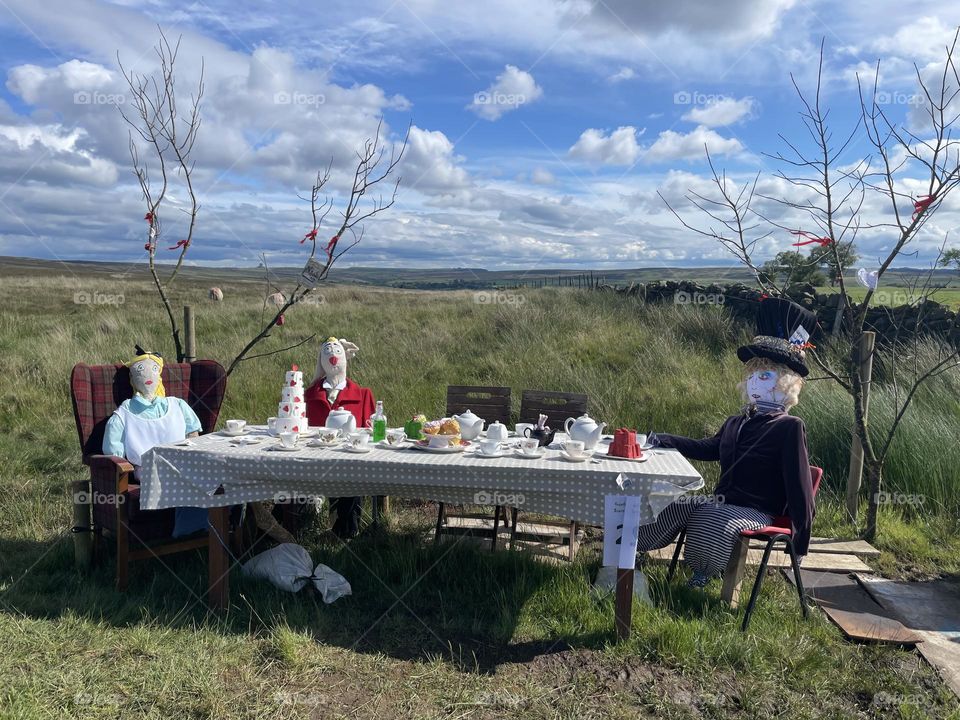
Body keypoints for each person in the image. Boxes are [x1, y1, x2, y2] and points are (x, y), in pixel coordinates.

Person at [639, 297, 818, 588]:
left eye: (765, 375)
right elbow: (709, 448)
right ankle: (630, 551)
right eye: (752, 375)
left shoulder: (789, 427)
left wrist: (801, 540)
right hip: (722, 501)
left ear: (786, 382)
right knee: (670, 505)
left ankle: (701, 577)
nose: (755, 382)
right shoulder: (738, 420)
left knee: (712, 517)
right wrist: (664, 439)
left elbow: (800, 486)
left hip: (758, 510)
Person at [102, 345, 208, 537]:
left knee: (218, 476)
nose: (148, 374)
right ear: (132, 377)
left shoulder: (177, 405)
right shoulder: (124, 414)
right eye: (140, 370)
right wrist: (123, 469)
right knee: (188, 480)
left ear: (159, 373)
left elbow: (193, 435)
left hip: (183, 462)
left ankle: (226, 519)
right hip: (147, 469)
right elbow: (113, 452)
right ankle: (192, 530)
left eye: (153, 369)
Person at [305, 337, 375, 539]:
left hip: (351, 464)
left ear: (345, 357)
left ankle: (346, 531)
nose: (332, 355)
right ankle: (302, 524)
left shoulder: (363, 395)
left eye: (337, 351)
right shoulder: (307, 396)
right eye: (327, 351)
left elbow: (372, 435)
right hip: (314, 462)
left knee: (353, 477)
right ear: (321, 360)